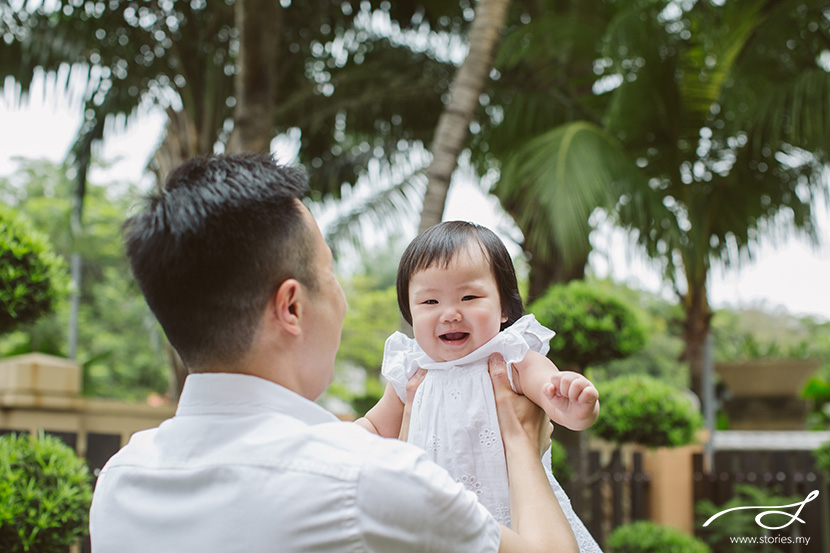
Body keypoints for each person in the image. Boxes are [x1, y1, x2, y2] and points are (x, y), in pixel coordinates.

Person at [89, 153, 579, 553]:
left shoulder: (120, 481)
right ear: (292, 306)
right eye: (330, 274)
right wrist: (519, 440)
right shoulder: (365, 478)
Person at [355, 221, 602, 551]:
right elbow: (373, 426)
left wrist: (576, 406)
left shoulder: (510, 356)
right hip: (441, 531)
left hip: (521, 525)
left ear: (504, 309)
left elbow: (554, 397)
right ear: (410, 312)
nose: (450, 313)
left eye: (469, 296)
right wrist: (338, 439)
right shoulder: (412, 370)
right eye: (430, 302)